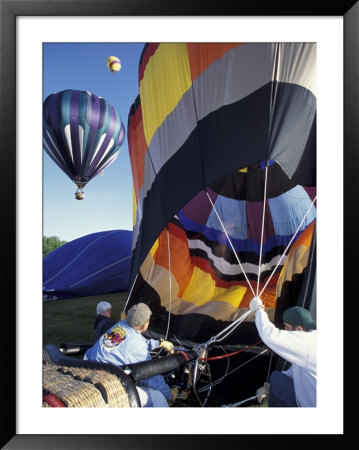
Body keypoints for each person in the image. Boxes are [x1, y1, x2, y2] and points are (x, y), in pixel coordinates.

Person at [84, 302, 176, 407]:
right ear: (145, 323)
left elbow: (133, 339)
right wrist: (169, 395)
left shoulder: (121, 325)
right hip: (107, 385)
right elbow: (151, 377)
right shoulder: (138, 348)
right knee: (157, 397)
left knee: (129, 370)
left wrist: (158, 343)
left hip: (90, 370)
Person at [249, 297, 317, 407]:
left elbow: (270, 336)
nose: (285, 330)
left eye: (287, 327)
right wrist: (269, 387)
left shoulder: (306, 343)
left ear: (299, 329)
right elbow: (296, 371)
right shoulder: (311, 339)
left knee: (277, 378)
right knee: (278, 378)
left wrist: (258, 310)